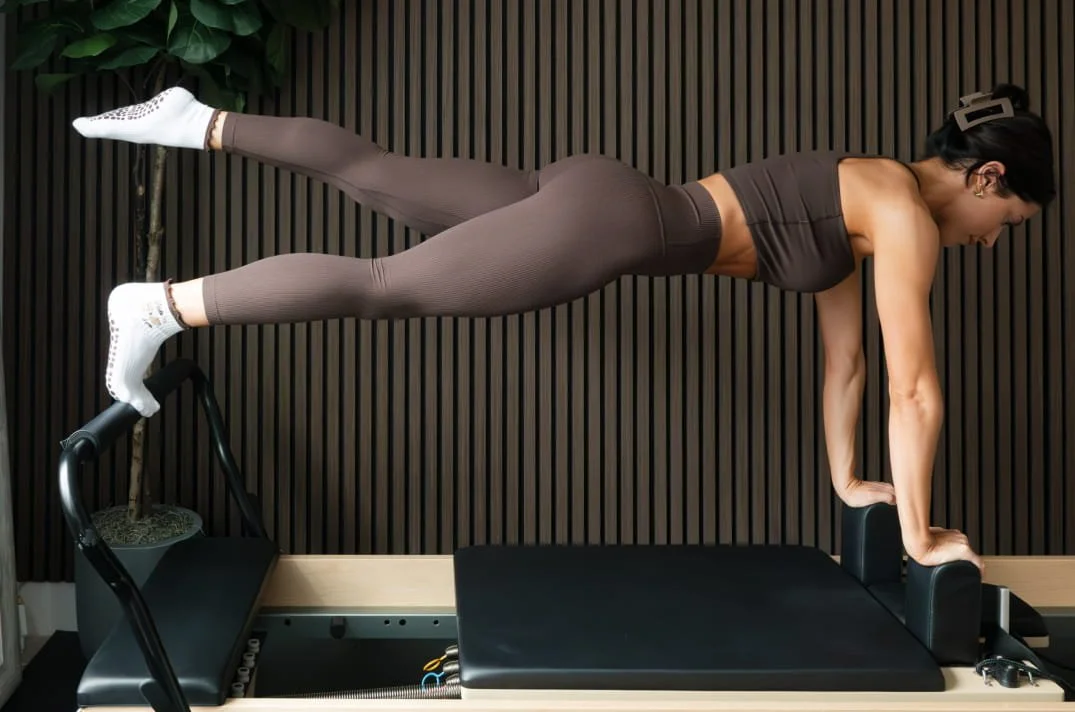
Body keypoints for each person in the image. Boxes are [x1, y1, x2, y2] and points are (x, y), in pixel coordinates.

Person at [73, 82, 1055, 574]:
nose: (992, 242)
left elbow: (849, 367)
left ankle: (195, 117)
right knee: (384, 284)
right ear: (986, 179)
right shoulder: (902, 214)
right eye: (1005, 225)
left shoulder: (863, 205)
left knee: (375, 171)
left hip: (598, 189)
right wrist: (922, 535)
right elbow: (914, 386)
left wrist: (848, 480)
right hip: (610, 224)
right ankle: (159, 303)